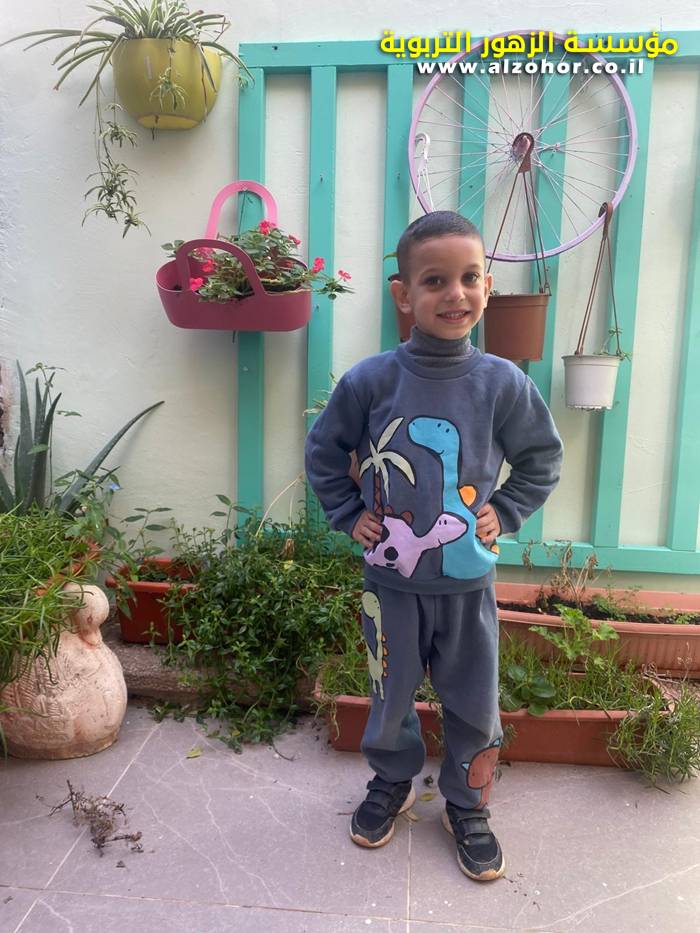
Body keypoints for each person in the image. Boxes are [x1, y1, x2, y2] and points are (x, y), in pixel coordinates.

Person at [304, 211, 563, 882]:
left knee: (474, 701)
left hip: (468, 588)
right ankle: (392, 780)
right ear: (403, 294)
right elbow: (325, 451)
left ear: (488, 286)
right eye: (435, 280)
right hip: (390, 588)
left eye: (470, 277)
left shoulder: (504, 383)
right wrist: (348, 513)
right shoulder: (370, 381)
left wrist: (506, 509)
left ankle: (467, 803)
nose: (456, 294)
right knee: (389, 695)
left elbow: (541, 458)